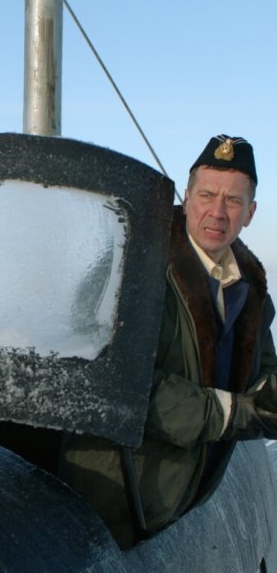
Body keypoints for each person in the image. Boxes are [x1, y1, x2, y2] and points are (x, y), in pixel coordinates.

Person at [59, 135, 277, 549]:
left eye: (233, 201)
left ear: (250, 213)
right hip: (110, 508)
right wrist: (227, 413)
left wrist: (269, 401)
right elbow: (108, 378)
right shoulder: (128, 266)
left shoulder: (252, 293)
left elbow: (262, 373)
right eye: (207, 195)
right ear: (187, 197)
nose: (217, 212)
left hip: (174, 511)